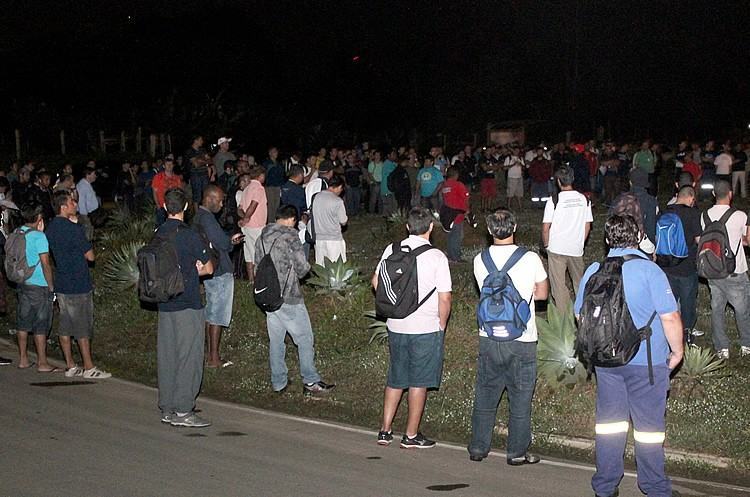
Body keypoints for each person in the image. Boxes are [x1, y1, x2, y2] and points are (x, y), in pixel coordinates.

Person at [574, 214, 684, 497]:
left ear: (608, 239)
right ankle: (654, 487)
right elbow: (670, 317)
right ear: (638, 237)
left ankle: (605, 485)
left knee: (609, 426)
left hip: (607, 362)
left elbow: (579, 315)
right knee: (649, 430)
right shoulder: (650, 271)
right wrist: (678, 351)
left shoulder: (593, 270)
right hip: (646, 363)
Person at [467, 207, 548, 465]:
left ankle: (478, 448)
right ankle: (516, 453)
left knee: (485, 394)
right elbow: (543, 295)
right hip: (522, 339)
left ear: (489, 230)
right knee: (521, 398)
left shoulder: (480, 260)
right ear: (515, 228)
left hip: (489, 337)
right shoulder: (531, 258)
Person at [372, 207, 451, 448]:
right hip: (425, 328)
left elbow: (376, 282)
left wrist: (395, 305)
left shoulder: (392, 249)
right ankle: (411, 435)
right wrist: (441, 324)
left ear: (407, 227)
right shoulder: (437, 257)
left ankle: (385, 431)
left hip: (396, 325)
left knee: (396, 378)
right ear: (430, 228)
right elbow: (445, 298)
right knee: (419, 382)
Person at [254, 204, 335, 394]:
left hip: (268, 296)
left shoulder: (262, 237)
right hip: (289, 296)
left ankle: (278, 382)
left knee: (276, 340)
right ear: (291, 219)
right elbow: (302, 268)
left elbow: (257, 264)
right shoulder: (290, 236)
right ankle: (310, 381)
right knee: (305, 338)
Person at [157, 188, 214, 427]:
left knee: (167, 356)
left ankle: (168, 407)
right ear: (187, 207)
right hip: (187, 302)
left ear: (163, 207)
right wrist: (195, 268)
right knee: (189, 356)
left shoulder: (157, 233)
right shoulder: (189, 235)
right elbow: (209, 268)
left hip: (164, 303)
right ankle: (183, 410)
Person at [46, 189, 111, 379]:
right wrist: (79, 231)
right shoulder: (74, 229)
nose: (75, 204)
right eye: (72, 202)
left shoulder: (50, 228)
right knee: (82, 326)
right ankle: (89, 367)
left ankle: (70, 365)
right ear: (63, 206)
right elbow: (90, 256)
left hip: (62, 282)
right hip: (78, 283)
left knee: (65, 324)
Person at [193, 185, 244, 369]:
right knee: (218, 315)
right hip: (220, 270)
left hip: (210, 269)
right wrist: (231, 241)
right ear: (211, 198)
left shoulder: (198, 216)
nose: (222, 204)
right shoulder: (207, 219)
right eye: (221, 200)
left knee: (211, 312)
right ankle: (214, 358)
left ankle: (209, 354)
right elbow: (221, 242)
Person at [701, 180, 750, 359]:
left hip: (713, 270)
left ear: (714, 194)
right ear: (730, 194)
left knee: (717, 307)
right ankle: (746, 344)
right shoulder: (739, 215)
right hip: (735, 270)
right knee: (743, 309)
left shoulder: (704, 215)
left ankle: (722, 347)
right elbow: (748, 240)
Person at [13, 202, 58, 372]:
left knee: (23, 323)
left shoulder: (18, 232)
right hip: (38, 285)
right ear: (39, 218)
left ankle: (23, 359)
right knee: (40, 325)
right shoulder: (39, 237)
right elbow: (46, 264)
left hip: (22, 282)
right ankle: (42, 362)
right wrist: (51, 285)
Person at [542, 165, 593, 311]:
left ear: (558, 181)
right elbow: (587, 226)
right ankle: (582, 314)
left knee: (558, 286)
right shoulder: (584, 199)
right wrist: (579, 243)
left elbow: (546, 228)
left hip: (556, 248)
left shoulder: (554, 200)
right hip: (576, 249)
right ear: (573, 179)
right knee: (579, 283)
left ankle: (565, 318)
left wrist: (546, 245)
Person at [657, 186, 703, 345]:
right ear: (690, 198)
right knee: (688, 302)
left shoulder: (664, 212)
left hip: (666, 266)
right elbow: (699, 240)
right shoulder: (692, 213)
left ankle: (666, 333)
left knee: (669, 301)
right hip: (686, 267)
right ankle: (687, 334)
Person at [239, 166, 267, 282]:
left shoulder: (247, 188)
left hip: (247, 227)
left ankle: (251, 280)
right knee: (258, 254)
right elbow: (253, 205)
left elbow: (239, 208)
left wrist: (243, 218)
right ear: (260, 175)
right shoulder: (259, 188)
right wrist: (246, 218)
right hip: (257, 226)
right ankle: (259, 281)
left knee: (249, 254)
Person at [311, 174, 347, 265]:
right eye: (341, 189)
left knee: (322, 268)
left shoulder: (316, 197)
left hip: (319, 239)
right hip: (334, 240)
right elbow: (343, 221)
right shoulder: (337, 201)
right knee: (336, 269)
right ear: (339, 187)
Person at [440, 166, 470, 263]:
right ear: (456, 175)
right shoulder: (458, 184)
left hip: (448, 214)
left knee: (450, 235)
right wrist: (467, 209)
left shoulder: (445, 185)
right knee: (457, 236)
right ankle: (456, 257)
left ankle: (450, 254)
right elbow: (466, 197)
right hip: (457, 214)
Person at [151, 157, 183, 227]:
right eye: (167, 164)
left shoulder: (177, 178)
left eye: (171, 164)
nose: (169, 166)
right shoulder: (158, 177)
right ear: (164, 166)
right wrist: (157, 205)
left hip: (173, 207)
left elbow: (180, 192)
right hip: (162, 206)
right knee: (161, 226)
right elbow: (154, 192)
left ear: (173, 165)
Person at [183, 135, 209, 204]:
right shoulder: (190, 151)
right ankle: (197, 213)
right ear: (195, 140)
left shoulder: (203, 150)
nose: (202, 142)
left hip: (205, 174)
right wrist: (204, 161)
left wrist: (200, 160)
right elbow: (196, 164)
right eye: (201, 140)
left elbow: (210, 160)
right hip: (195, 175)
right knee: (197, 196)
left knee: (205, 194)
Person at [263, 147, 285, 224]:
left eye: (276, 151)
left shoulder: (279, 163)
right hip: (270, 186)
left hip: (278, 186)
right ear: (270, 153)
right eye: (274, 152)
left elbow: (282, 175)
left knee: (277, 205)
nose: (276, 153)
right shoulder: (267, 163)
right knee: (271, 206)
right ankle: (270, 223)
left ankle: (275, 222)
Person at [76, 167, 99, 241]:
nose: (95, 176)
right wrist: (84, 216)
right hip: (85, 215)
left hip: (90, 214)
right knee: (86, 233)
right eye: (94, 174)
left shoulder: (87, 184)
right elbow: (81, 201)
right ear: (88, 175)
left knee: (90, 231)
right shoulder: (82, 185)